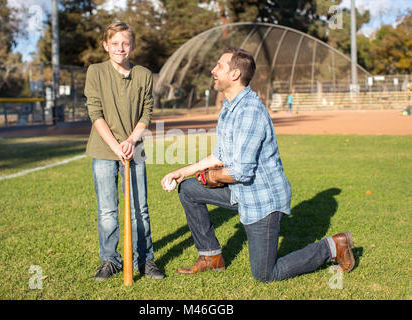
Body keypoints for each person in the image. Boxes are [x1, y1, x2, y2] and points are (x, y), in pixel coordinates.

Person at [161, 47, 355, 283]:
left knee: (265, 274)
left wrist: (211, 178)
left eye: (219, 66)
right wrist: (181, 172)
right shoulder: (229, 108)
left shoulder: (250, 111)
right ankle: (211, 257)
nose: (213, 70)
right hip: (240, 191)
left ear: (234, 75)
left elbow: (241, 172)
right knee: (189, 190)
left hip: (262, 199)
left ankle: (333, 246)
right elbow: (220, 155)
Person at [84, 21, 164, 281]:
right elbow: (95, 112)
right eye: (115, 43)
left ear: (133, 46)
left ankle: (145, 260)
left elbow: (147, 112)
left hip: (134, 149)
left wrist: (131, 140)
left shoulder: (143, 74)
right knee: (107, 210)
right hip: (105, 149)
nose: (121, 48)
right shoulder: (96, 71)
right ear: (106, 45)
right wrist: (115, 145)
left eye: (125, 43)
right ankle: (110, 261)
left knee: (140, 208)